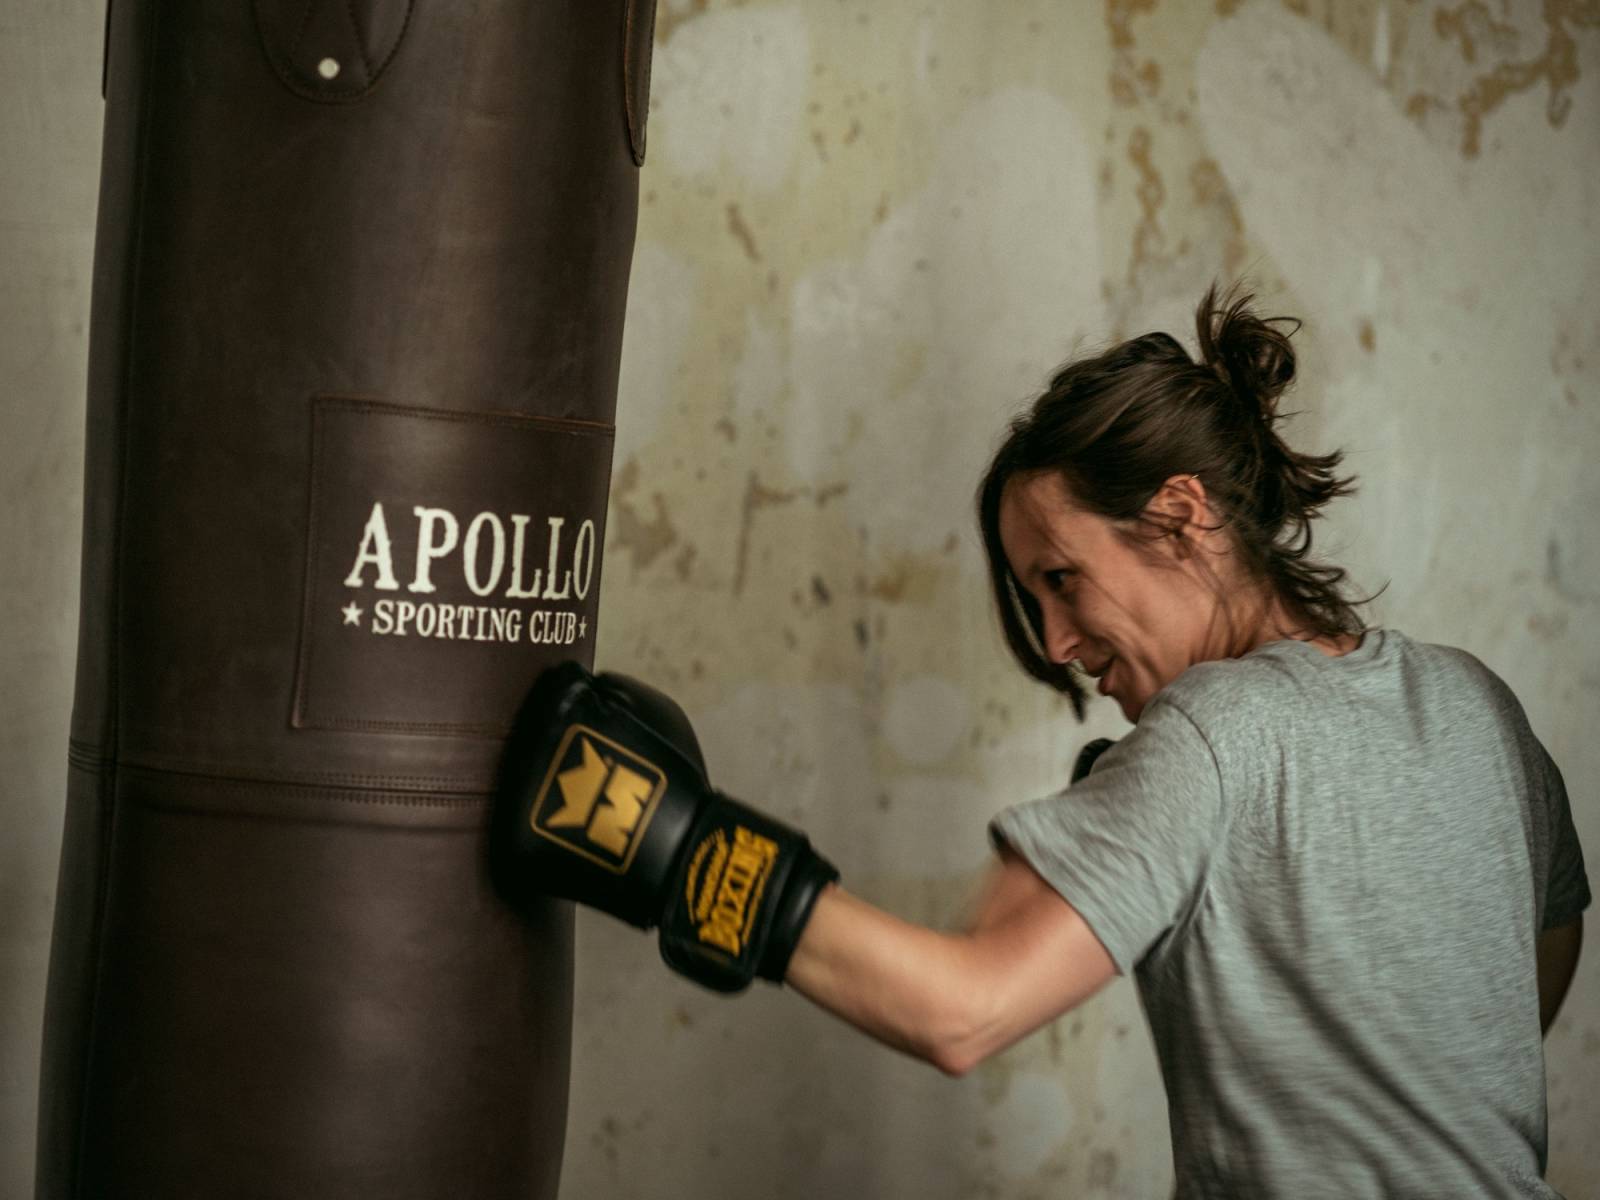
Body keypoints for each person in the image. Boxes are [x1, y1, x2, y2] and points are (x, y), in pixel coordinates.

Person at [498, 284, 1589, 1198]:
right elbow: (1528, 979)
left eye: (1062, 581)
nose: (1059, 641)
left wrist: (674, 846)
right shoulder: (1476, 705)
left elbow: (961, 1010)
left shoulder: (1209, 734)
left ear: (1179, 517)